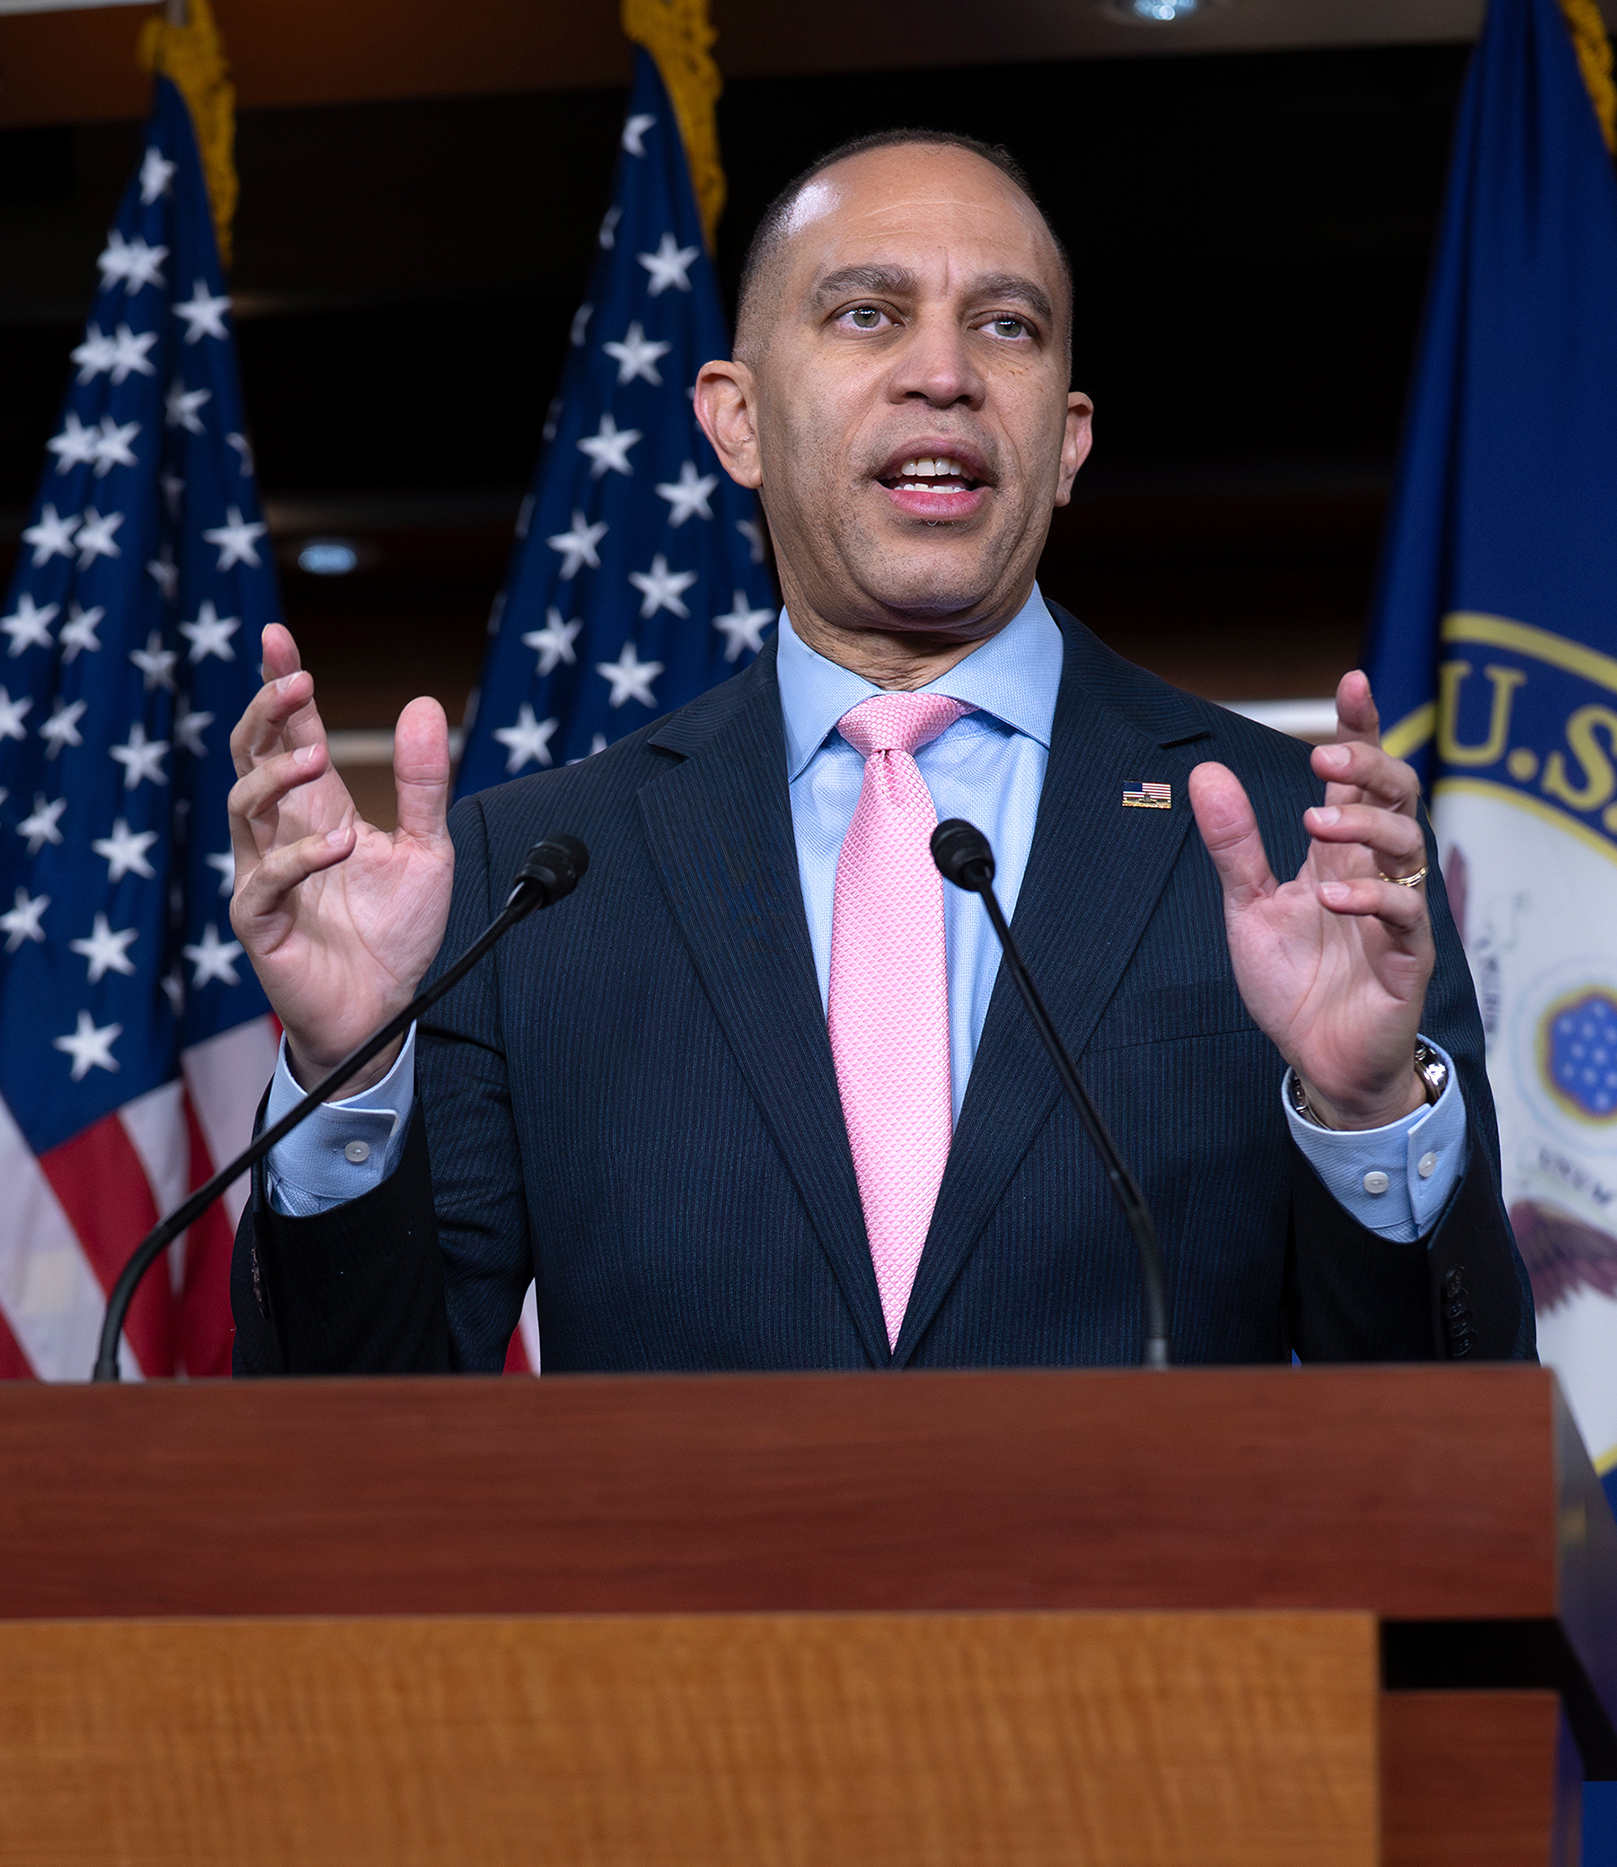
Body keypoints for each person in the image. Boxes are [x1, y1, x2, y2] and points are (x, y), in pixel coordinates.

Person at [224, 131, 1531, 1372]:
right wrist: (347, 1077)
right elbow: (354, 1436)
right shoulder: (531, 876)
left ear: (1067, 442)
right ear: (734, 420)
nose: (944, 373)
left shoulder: (1294, 841)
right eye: (868, 313)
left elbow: (1448, 1435)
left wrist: (1367, 1111)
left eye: (1005, 325)